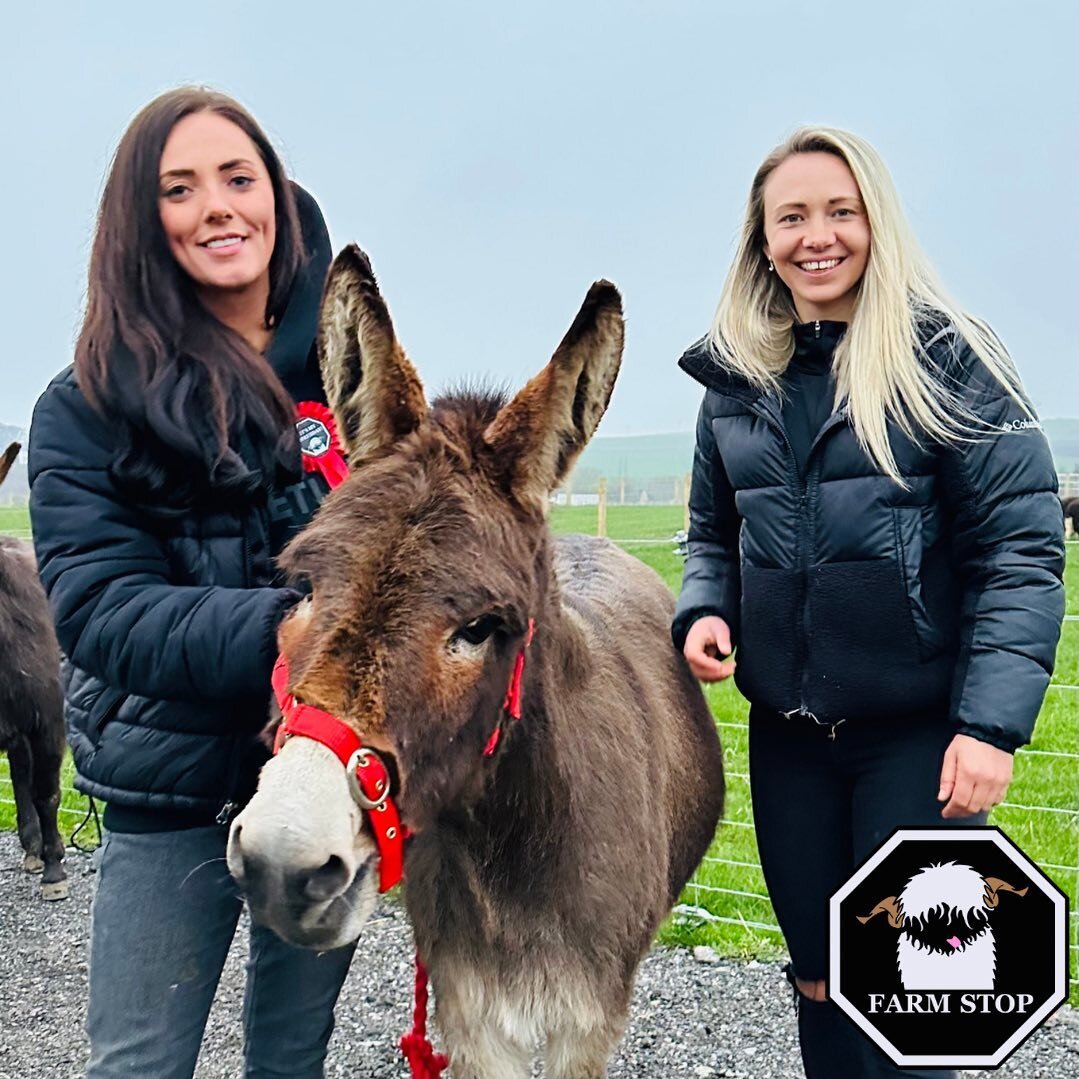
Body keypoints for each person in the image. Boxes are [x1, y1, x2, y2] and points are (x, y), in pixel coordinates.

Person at [671, 127, 1064, 1079]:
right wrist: (704, 611)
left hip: (919, 737)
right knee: (817, 977)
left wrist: (988, 728)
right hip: (789, 739)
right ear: (760, 240)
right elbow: (709, 532)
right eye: (791, 216)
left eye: (839, 211)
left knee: (913, 992)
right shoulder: (734, 379)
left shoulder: (951, 361)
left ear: (875, 221)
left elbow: (1019, 549)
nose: (817, 236)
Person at [28, 87, 355, 1079]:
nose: (217, 204)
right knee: (139, 1060)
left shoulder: (349, 387)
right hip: (167, 796)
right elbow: (99, 610)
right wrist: (301, 628)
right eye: (180, 187)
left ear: (276, 200)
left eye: (237, 177)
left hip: (318, 785)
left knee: (292, 1054)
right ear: (141, 221)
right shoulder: (83, 409)